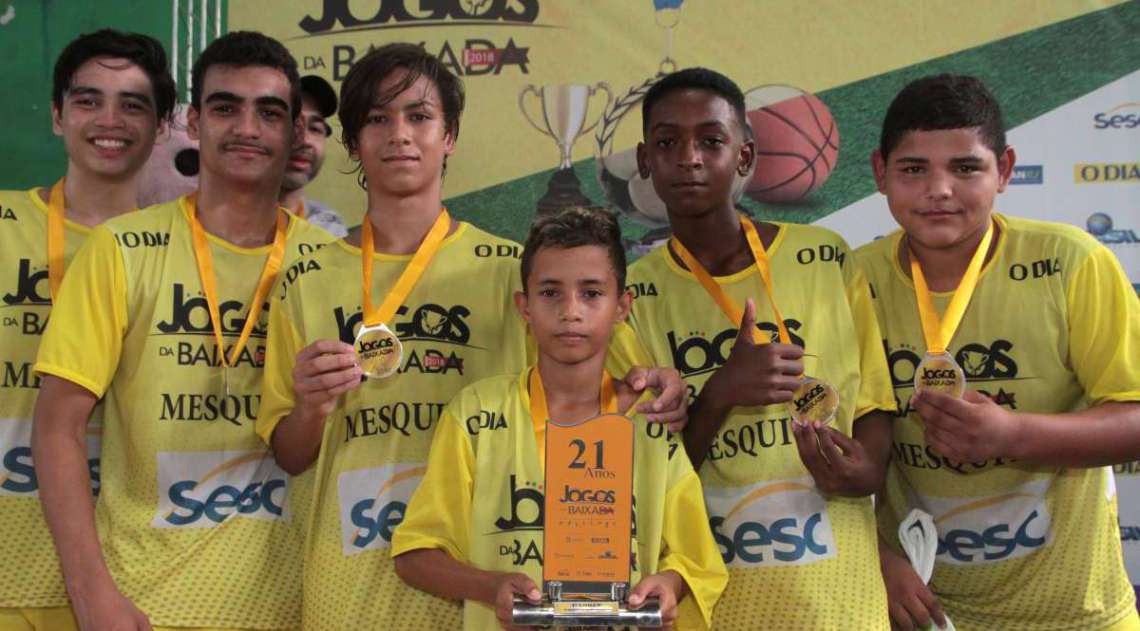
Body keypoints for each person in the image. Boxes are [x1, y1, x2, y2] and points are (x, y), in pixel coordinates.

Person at [256, 43, 688, 631]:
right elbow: (290, 454)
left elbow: (635, 386)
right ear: (353, 142)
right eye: (377, 120)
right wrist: (309, 406)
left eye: (419, 116)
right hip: (349, 586)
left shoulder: (512, 270)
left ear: (450, 135)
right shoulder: (305, 278)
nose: (399, 135)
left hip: (497, 583)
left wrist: (665, 384)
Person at [32, 31, 334, 631]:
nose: (247, 127)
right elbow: (57, 427)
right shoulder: (122, 248)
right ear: (193, 122)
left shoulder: (332, 264)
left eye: (269, 112)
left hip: (293, 603)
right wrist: (92, 596)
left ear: (294, 133)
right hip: (143, 601)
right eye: (226, 107)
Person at [858, 73, 1140, 631]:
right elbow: (832, 444)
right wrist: (874, 557)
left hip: (1076, 614)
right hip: (926, 612)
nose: (939, 189)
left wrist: (1012, 435)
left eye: (965, 168)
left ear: (1005, 170)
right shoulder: (853, 279)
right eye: (914, 169)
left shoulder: (1071, 263)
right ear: (879, 174)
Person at [626, 67, 897, 629]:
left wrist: (867, 469)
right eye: (667, 142)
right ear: (645, 160)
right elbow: (649, 478)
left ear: (745, 157)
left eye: (711, 140)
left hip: (835, 601)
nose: (689, 157)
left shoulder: (823, 256)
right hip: (713, 602)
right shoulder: (637, 295)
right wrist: (721, 392)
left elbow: (873, 402)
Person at [392, 206, 727, 630]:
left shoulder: (649, 421)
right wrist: (488, 585)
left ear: (622, 307)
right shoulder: (477, 414)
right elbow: (415, 554)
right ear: (524, 307)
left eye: (591, 293)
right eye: (551, 292)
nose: (571, 311)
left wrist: (669, 583)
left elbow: (696, 560)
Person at [0, 29, 174, 631]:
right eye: (88, 99)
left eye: (133, 104)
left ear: (162, 127)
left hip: (129, 582)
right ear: (56, 115)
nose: (110, 119)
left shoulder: (178, 253)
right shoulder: (3, 224)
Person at [279, 74, 348, 237]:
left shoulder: (331, 228)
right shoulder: (216, 224)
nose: (304, 140)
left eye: (315, 128)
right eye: (291, 125)